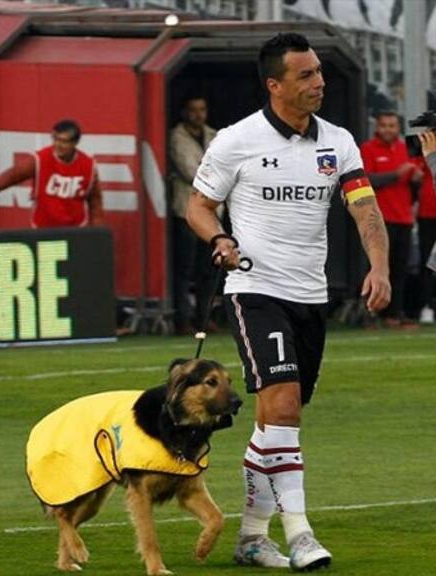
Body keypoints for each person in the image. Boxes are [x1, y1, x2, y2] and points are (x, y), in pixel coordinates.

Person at [187, 33, 391, 571]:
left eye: (319, 72)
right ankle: (300, 533)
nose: (319, 82)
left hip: (309, 294)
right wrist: (219, 239)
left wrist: (380, 265)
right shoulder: (237, 140)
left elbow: (364, 210)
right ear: (274, 84)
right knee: (283, 408)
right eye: (306, 75)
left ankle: (252, 536)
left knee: (274, 423)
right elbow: (199, 206)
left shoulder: (339, 142)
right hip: (255, 289)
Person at [0, 119, 104, 227]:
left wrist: (98, 231)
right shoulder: (41, 159)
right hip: (43, 228)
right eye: (55, 139)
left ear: (75, 143)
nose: (58, 144)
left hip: (75, 230)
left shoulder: (88, 165)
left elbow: (95, 202)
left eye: (63, 141)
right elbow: (15, 174)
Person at [360, 112, 423, 327]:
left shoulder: (406, 149)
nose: (388, 129)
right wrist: (397, 174)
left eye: (392, 125)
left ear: (398, 128)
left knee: (399, 269)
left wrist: (415, 179)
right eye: (384, 125)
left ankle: (394, 314)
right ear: (377, 127)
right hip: (378, 218)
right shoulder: (368, 149)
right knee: (375, 268)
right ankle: (370, 313)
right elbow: (366, 180)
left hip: (403, 217)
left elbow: (414, 184)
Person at [169, 96, 217, 334]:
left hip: (213, 210)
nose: (198, 115)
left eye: (202, 109)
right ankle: (183, 319)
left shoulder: (214, 135)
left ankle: (204, 317)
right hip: (186, 210)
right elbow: (191, 171)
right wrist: (218, 177)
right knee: (184, 269)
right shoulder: (177, 137)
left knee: (208, 269)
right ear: (184, 112)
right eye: (193, 110)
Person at [413, 129, 436, 323]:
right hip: (428, 214)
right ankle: (427, 305)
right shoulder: (426, 151)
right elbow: (414, 174)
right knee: (428, 263)